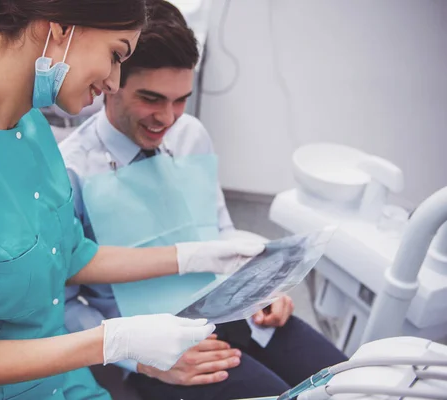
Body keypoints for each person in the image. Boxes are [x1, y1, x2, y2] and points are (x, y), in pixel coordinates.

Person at [0, 1, 266, 399]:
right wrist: (115, 342)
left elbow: (74, 256)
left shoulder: (30, 126)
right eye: (114, 55)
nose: (113, 81)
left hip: (62, 383)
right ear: (58, 30)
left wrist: (198, 256)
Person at [61, 1, 348, 399]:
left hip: (229, 310)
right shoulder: (70, 171)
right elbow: (61, 304)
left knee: (351, 384)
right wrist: (137, 355)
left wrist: (262, 289)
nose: (169, 117)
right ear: (112, 81)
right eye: (152, 99)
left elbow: (219, 229)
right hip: (152, 343)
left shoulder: (190, 135)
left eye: (180, 100)